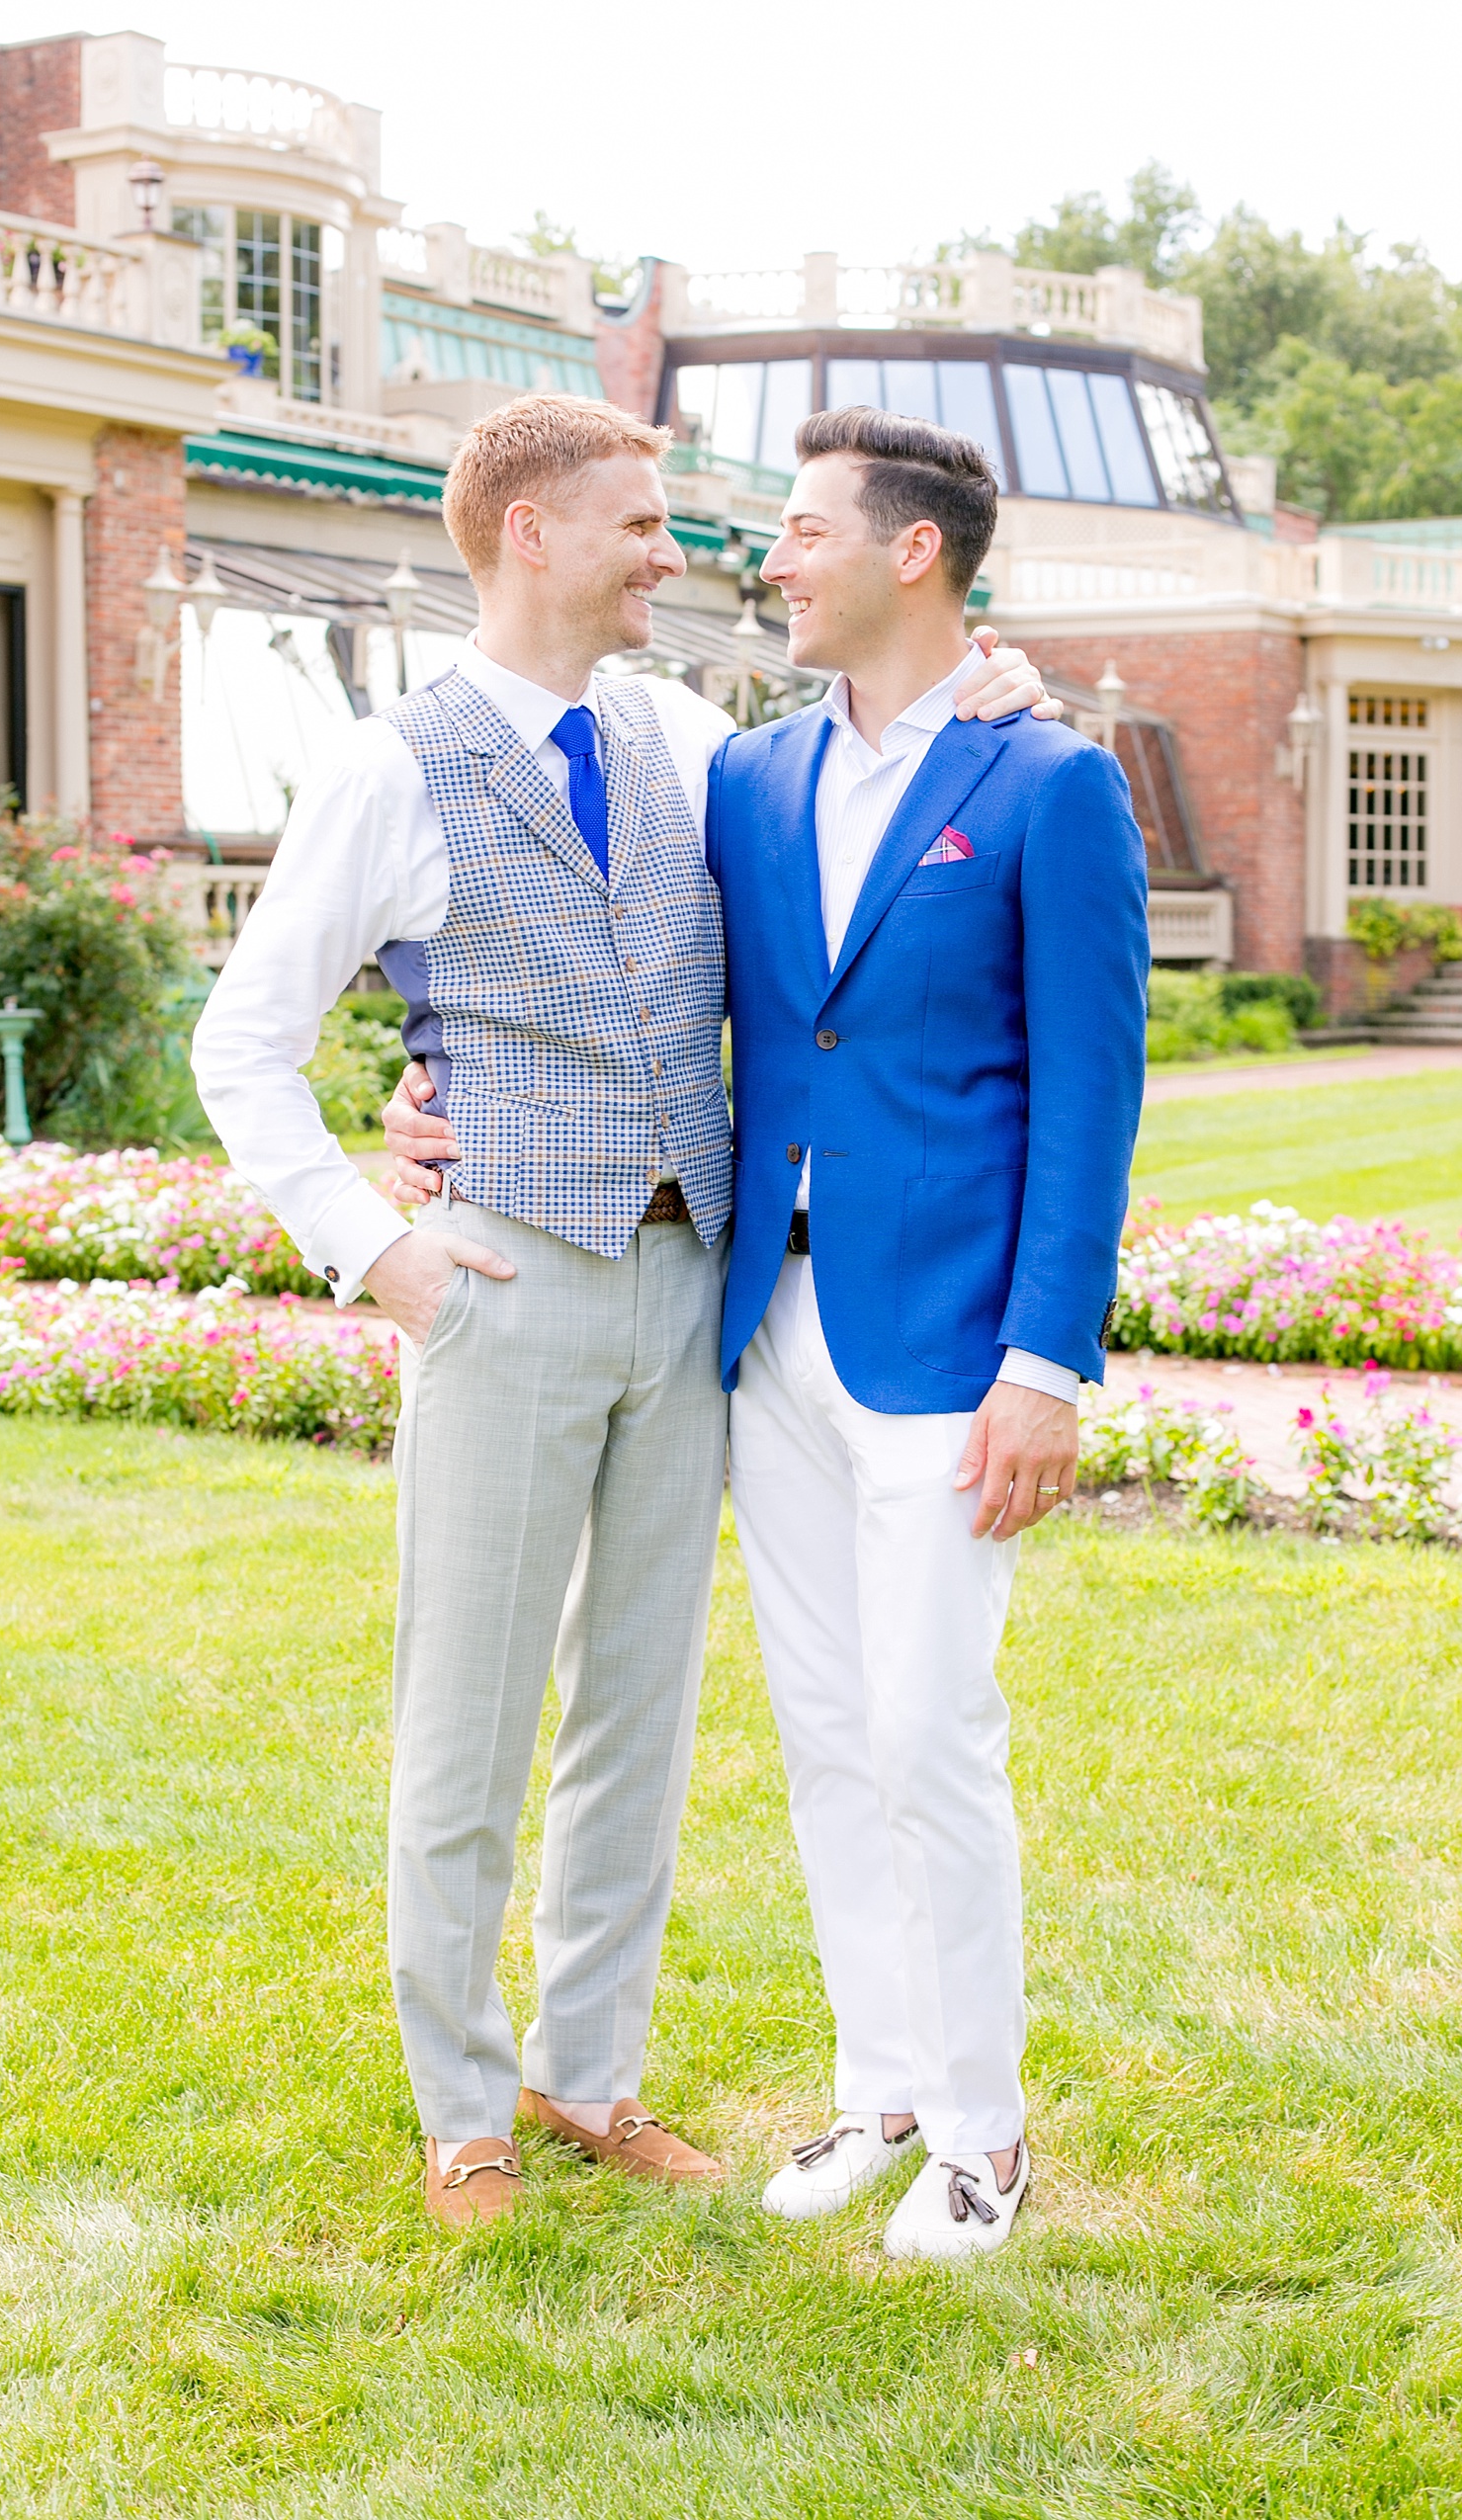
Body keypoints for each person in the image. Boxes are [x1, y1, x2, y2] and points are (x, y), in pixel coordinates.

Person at [194, 392, 1053, 2229]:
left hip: (692, 1298)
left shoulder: (688, 736)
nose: (681, 554)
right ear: (532, 534)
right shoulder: (389, 766)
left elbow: (874, 772)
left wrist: (999, 687)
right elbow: (241, 1041)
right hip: (502, 1288)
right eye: (643, 524)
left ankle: (589, 2072)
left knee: (639, 1711)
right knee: (472, 1712)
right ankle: (463, 2102)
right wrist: (378, 1241)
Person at [713, 407, 1149, 2258]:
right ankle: (879, 2083)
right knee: (820, 1723)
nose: (774, 560)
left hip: (953, 1345)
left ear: (913, 553)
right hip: (771, 1326)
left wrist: (1047, 1362)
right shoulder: (742, 774)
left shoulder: (1051, 784)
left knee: (926, 1726)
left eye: (804, 530)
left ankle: (985, 2126)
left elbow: (1092, 1092)